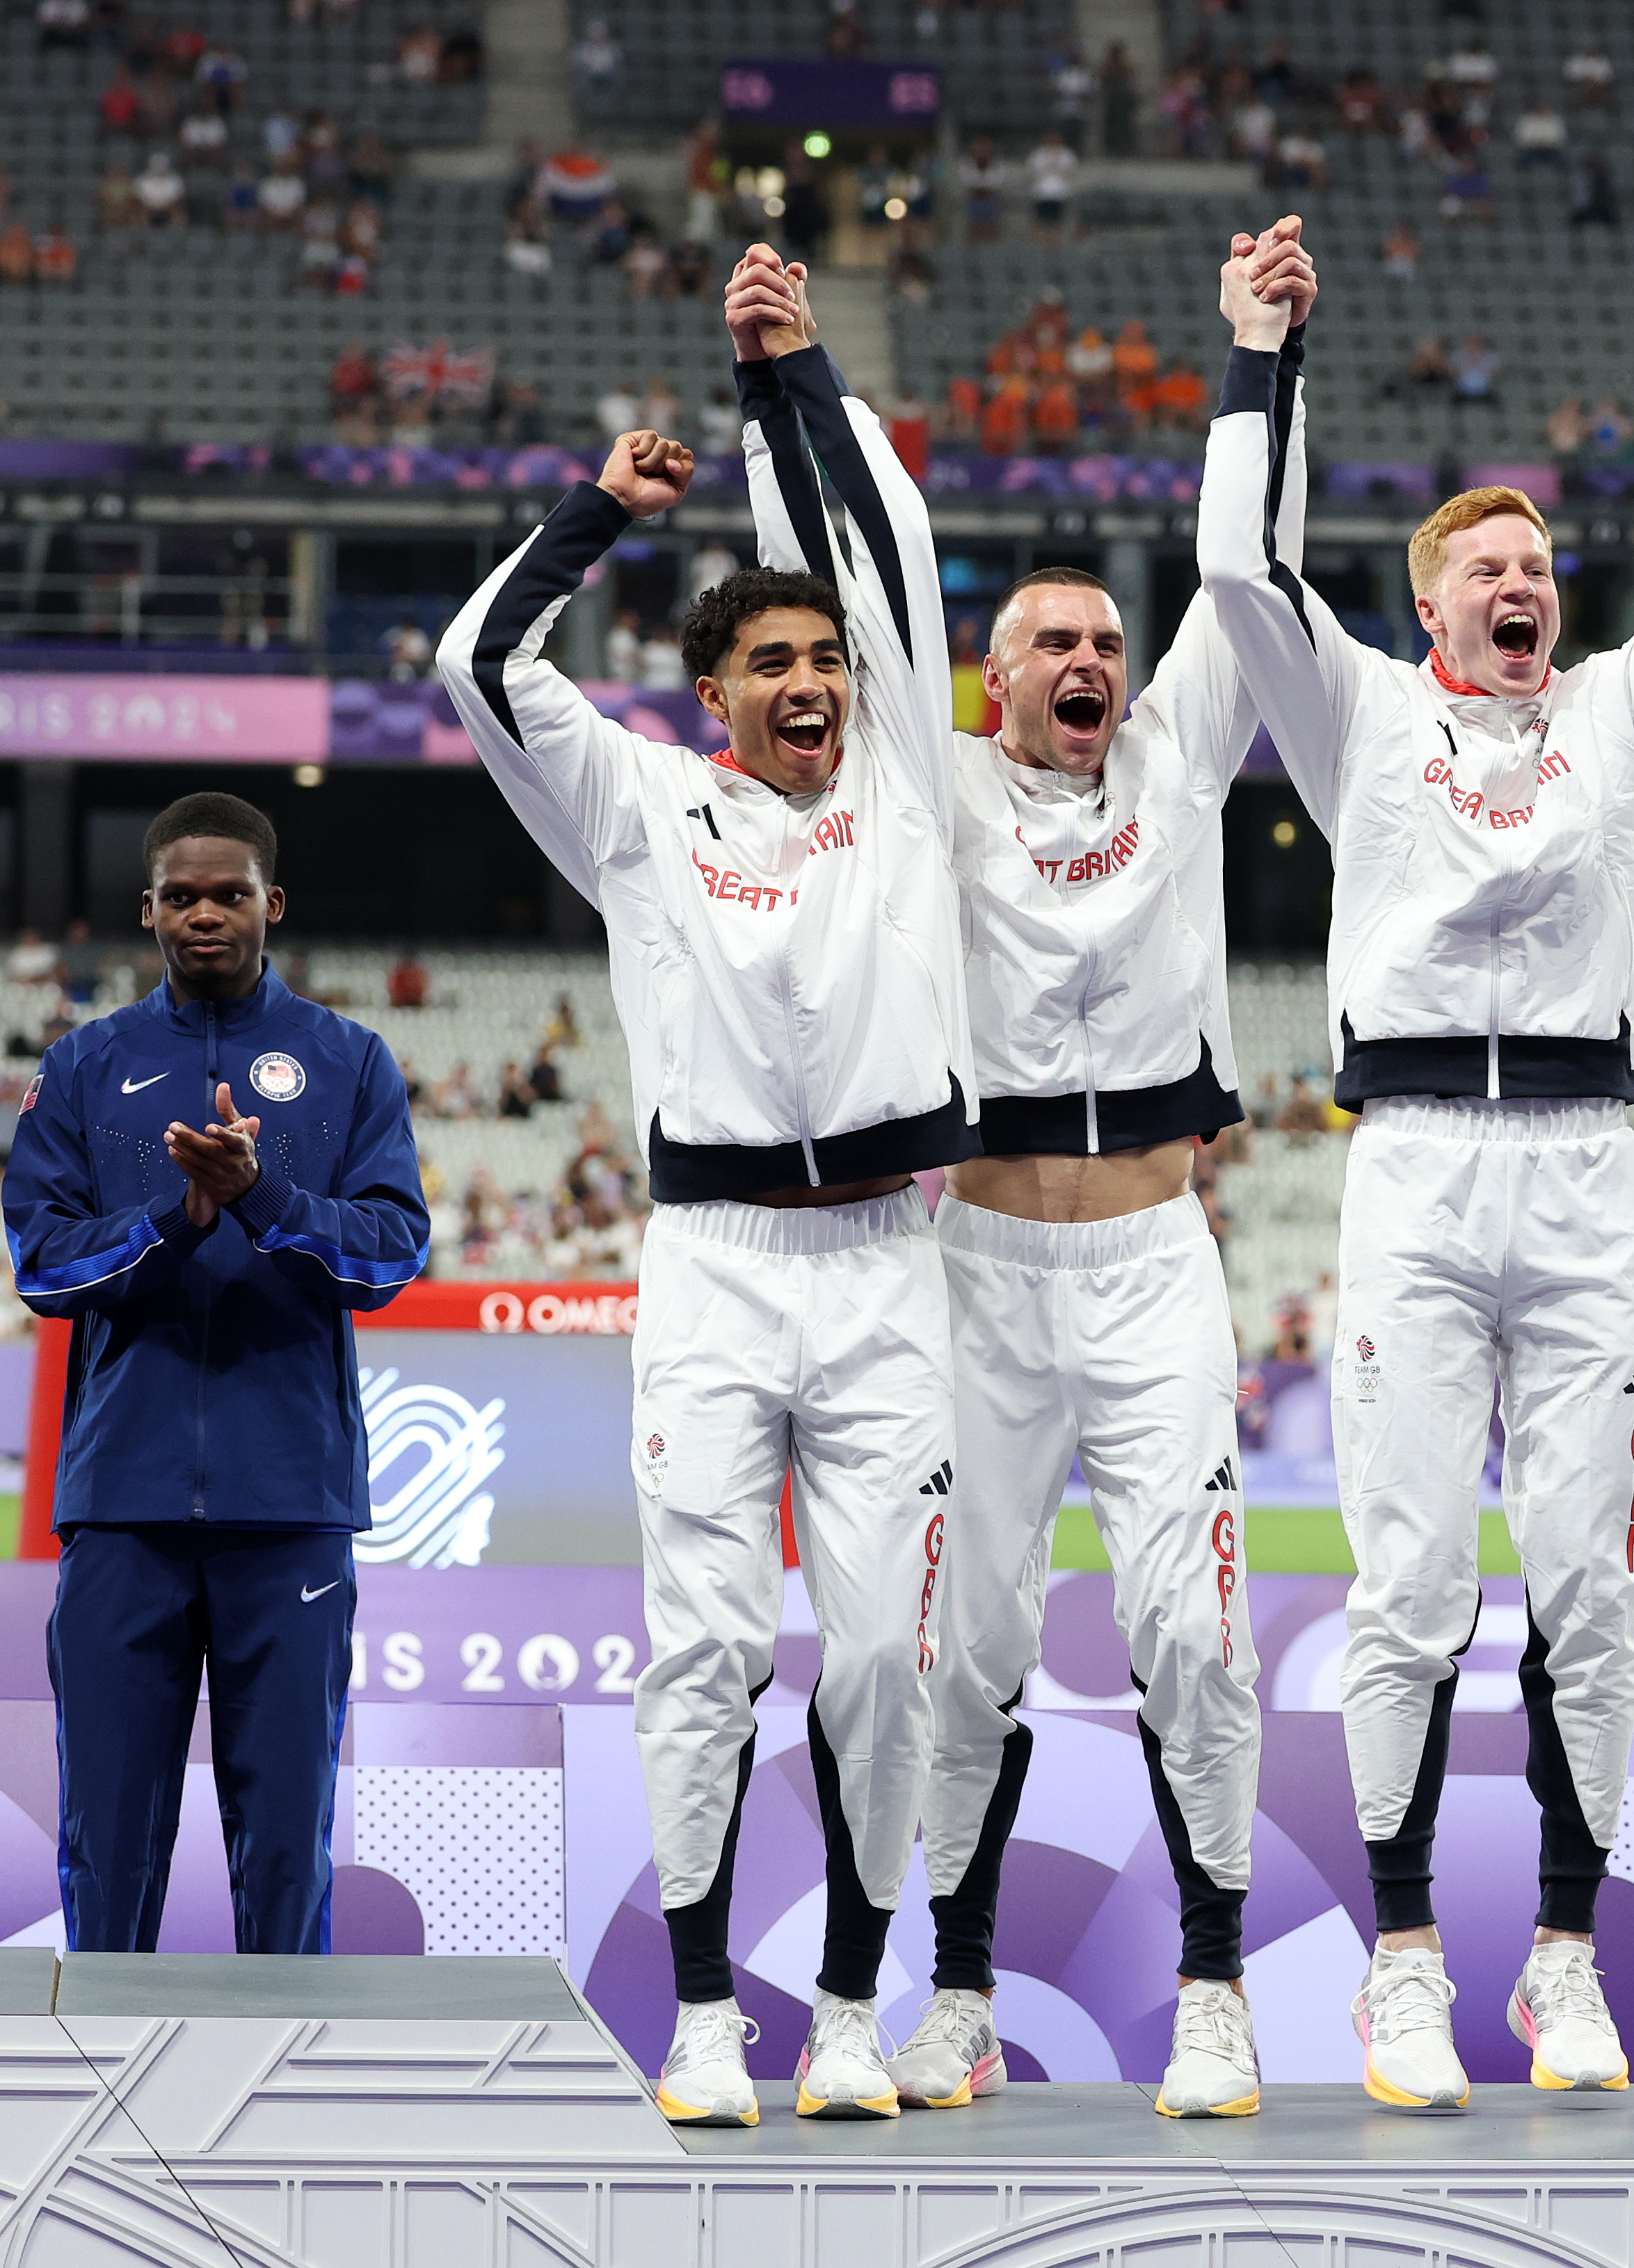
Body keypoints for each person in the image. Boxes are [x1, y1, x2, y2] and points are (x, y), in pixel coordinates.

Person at [1197, 214, 1634, 2109]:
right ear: (1429, 598)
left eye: (1545, 560)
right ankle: (1393, 1957)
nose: (1526, 582)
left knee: (1597, 1587)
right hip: (1420, 1165)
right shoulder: (1358, 710)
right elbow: (1236, 558)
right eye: (1490, 565)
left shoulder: (1622, 708)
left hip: (1588, 1162)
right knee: (1406, 1583)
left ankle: (1563, 1954)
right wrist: (1263, 355)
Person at [727, 229, 1311, 2121]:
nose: (1094, 659)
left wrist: (1257, 355)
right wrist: (789, 385)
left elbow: (1247, 567)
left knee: (1197, 1633)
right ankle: (954, 1991)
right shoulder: (935, 780)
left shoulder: (1186, 759)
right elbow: (866, 563)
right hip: (966, 1263)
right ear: (986, 679)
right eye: (1054, 641)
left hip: (1153, 1252)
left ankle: (1214, 1987)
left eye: (1107, 642)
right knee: (949, 1653)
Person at [439, 281, 977, 2131]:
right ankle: (694, 2011)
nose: (817, 683)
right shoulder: (640, 807)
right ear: (713, 695)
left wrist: (794, 374)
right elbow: (479, 666)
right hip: (718, 1268)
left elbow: (891, 547)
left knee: (895, 1652)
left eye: (830, 658)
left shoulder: (907, 783)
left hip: (895, 1262)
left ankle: (843, 2006)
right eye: (778, 665)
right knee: (707, 1647)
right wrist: (598, 513)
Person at [7, 793, 428, 1956]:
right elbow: (42, 1265)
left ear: (271, 904)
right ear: (147, 911)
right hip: (122, 1511)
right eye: (182, 895)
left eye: (229, 893)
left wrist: (265, 1200)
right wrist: (183, 1216)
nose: (205, 913)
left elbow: (393, 1250)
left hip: (290, 1507)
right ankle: (99, 2101)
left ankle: (283, 2103)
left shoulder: (349, 1062)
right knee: (107, 1839)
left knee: (287, 1836)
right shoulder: (84, 1067)